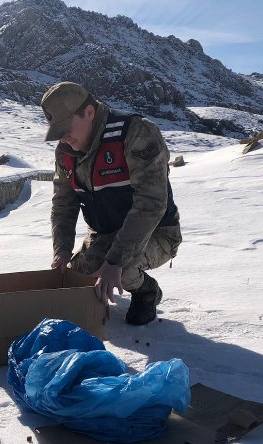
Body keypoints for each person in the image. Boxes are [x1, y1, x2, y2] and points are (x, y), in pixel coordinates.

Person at [41, 82, 180, 325]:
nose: (63, 138)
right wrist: (61, 251)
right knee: (76, 277)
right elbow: (64, 204)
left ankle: (146, 290)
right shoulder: (65, 152)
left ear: (89, 113)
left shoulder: (136, 134)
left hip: (155, 232)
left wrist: (114, 262)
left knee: (122, 270)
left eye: (66, 127)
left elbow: (151, 204)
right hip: (104, 233)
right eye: (57, 131)